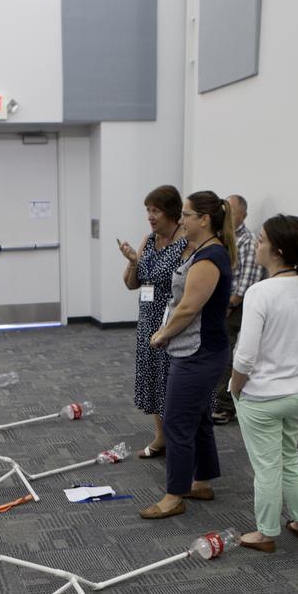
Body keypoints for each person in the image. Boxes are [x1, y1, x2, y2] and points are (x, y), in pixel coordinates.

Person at [229, 214, 298, 551]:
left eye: (261, 240)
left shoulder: (261, 292)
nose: (256, 245)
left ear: (278, 249)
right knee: (289, 455)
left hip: (262, 396)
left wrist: (235, 386)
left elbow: (245, 356)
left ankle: (265, 533)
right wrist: (295, 369)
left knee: (267, 466)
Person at [139, 191, 236, 519]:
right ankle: (201, 482)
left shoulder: (209, 258)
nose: (182, 220)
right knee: (197, 419)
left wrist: (162, 335)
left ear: (204, 220)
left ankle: (173, 495)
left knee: (177, 421)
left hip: (198, 353)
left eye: (187, 215)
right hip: (197, 349)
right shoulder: (204, 252)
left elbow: (189, 307)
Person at [117, 186, 186, 458]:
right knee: (153, 381)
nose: (150, 216)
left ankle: (178, 440)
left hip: (172, 322)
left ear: (171, 212)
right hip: (147, 321)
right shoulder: (148, 240)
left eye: (155, 210)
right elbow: (131, 283)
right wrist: (134, 261)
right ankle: (160, 438)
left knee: (171, 384)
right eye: (148, 210)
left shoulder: (185, 243)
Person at [212, 194, 263, 424]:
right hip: (219, 304)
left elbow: (247, 282)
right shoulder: (222, 238)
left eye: (232, 212)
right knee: (215, 353)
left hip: (234, 308)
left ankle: (224, 407)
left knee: (226, 356)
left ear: (243, 215)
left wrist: (229, 305)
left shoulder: (247, 241)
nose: (228, 216)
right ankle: (214, 400)